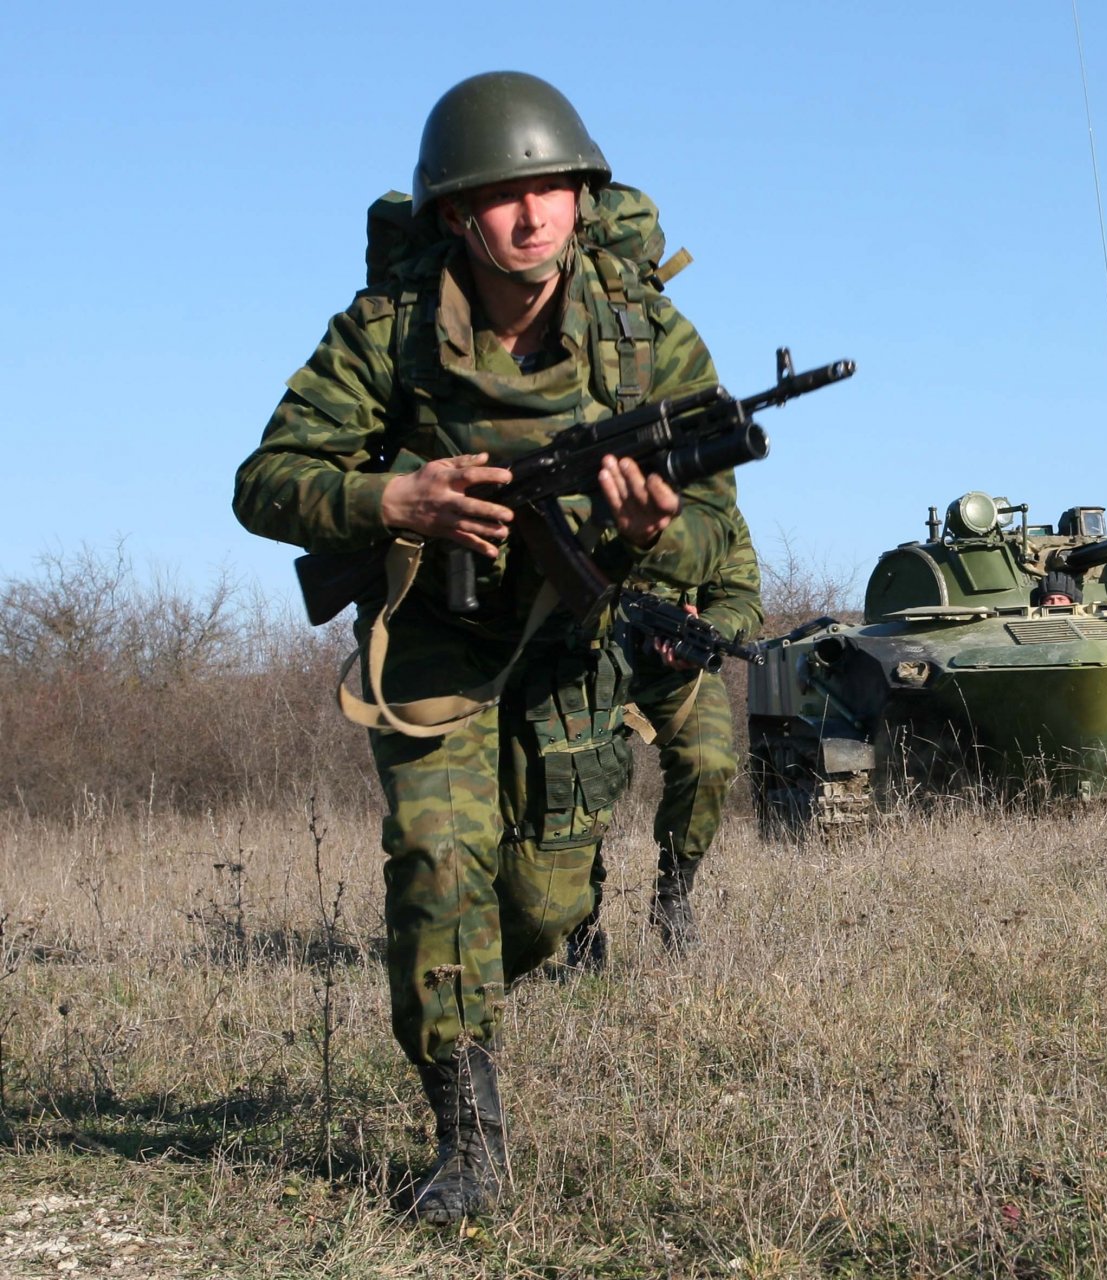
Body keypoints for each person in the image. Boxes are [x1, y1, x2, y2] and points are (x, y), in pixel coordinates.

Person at [232, 71, 744, 1225]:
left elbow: (718, 521)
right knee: (438, 868)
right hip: (435, 649)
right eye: (503, 196)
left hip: (572, 646)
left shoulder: (641, 332)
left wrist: (658, 527)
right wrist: (394, 499)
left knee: (548, 906)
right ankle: (468, 1139)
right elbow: (264, 482)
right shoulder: (390, 332)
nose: (533, 216)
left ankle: (459, 985)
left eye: (553, 189)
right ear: (456, 215)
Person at [568, 505, 762, 965]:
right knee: (577, 787)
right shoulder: (581, 486)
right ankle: (580, 918)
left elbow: (742, 598)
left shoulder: (709, 504)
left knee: (710, 763)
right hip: (583, 668)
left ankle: (674, 891)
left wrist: (707, 630)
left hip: (674, 672)